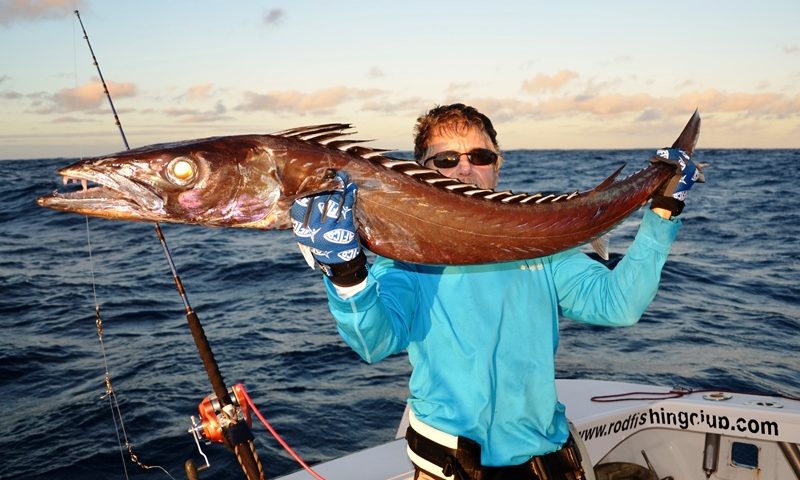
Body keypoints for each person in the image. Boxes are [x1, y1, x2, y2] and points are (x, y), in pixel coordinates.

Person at [290, 103, 700, 480]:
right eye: (446, 159)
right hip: (447, 468)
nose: (465, 170)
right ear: (419, 174)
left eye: (480, 157)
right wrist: (346, 272)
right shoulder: (406, 258)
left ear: (498, 166)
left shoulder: (543, 244)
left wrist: (662, 215)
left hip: (550, 462)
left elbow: (618, 305)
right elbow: (374, 340)